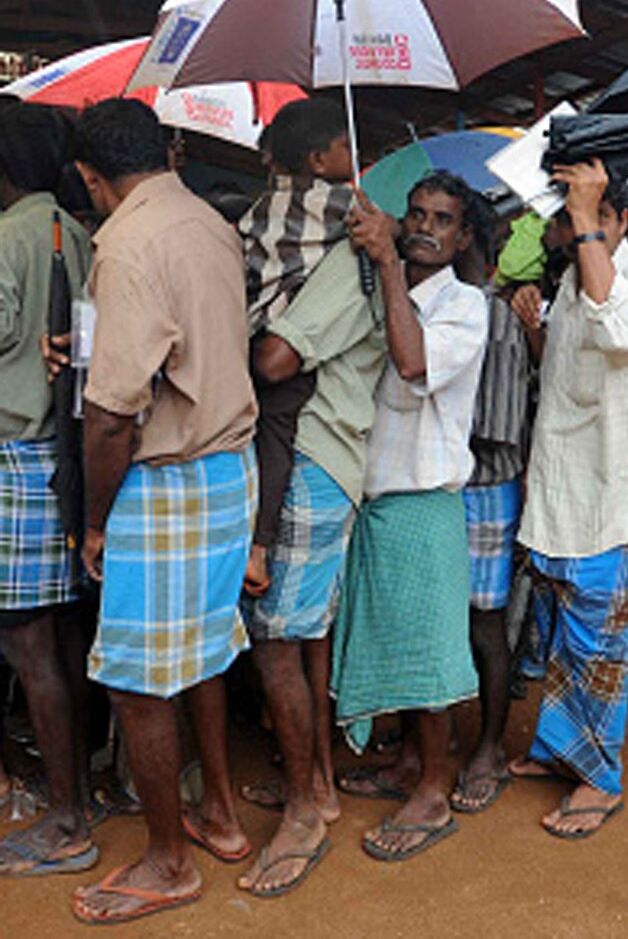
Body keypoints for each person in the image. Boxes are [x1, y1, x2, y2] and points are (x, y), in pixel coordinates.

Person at [66, 100, 258, 925]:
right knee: (204, 656)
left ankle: (168, 861)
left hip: (166, 481)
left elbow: (111, 414)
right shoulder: (210, 221)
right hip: (228, 470)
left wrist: (97, 521)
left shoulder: (128, 244)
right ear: (165, 149)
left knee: (140, 686)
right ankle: (216, 811)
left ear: (91, 178)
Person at [508, 160, 628, 839]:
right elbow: (563, 373)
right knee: (563, 634)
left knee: (599, 639)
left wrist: (584, 222)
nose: (572, 229)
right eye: (570, 216)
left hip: (614, 495)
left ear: (619, 222)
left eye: (589, 216)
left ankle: (599, 778)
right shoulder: (573, 276)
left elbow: (619, 333)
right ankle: (563, 751)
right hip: (566, 488)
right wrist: (534, 326)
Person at [235, 139, 388, 896]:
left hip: (315, 461)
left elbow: (274, 364)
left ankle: (303, 808)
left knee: (273, 639)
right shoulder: (336, 249)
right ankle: (320, 782)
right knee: (308, 633)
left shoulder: (342, 262)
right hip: (322, 459)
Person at [330, 172, 488, 861]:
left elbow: (413, 362)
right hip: (372, 498)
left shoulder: (466, 306)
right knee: (392, 639)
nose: (426, 226)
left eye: (442, 219)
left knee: (428, 657)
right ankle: (404, 770)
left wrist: (390, 262)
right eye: (416, 213)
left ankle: (433, 789)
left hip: (424, 500)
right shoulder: (376, 283)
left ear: (463, 238)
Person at [0, 105, 94, 877]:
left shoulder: (8, 236)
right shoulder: (80, 228)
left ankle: (67, 818)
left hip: (14, 453)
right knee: (62, 635)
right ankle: (82, 791)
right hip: (65, 453)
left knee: (27, 645)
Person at [238, 99, 355, 598]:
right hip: (284, 342)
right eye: (347, 146)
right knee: (277, 439)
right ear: (318, 161)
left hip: (246, 333)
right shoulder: (347, 207)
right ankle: (259, 547)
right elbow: (384, 231)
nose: (355, 154)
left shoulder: (260, 207)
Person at [450, 198, 535, 814]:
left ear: (469, 237)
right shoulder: (434, 305)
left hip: (482, 486)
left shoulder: (493, 317)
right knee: (434, 619)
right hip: (442, 486)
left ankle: (488, 746)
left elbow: (498, 427)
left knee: (485, 626)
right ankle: (420, 747)